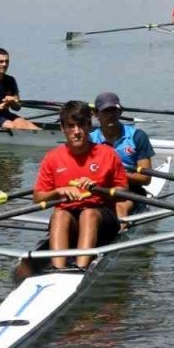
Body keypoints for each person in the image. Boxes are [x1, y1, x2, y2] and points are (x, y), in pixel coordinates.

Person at [31, 100, 132, 272]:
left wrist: (98, 188)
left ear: (89, 126)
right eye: (71, 126)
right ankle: (58, 270)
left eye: (81, 125)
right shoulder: (52, 158)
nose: (76, 132)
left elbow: (124, 192)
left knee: (88, 213)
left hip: (102, 217)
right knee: (59, 214)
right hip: (69, 218)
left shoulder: (107, 154)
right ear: (63, 128)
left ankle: (81, 269)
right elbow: (38, 198)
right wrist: (58, 191)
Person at [89, 92, 155, 196]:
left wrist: (115, 174)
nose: (110, 115)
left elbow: (145, 178)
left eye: (114, 111)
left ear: (120, 112)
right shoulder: (90, 140)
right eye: (106, 111)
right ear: (96, 114)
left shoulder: (137, 136)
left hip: (131, 189)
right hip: (100, 189)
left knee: (120, 206)